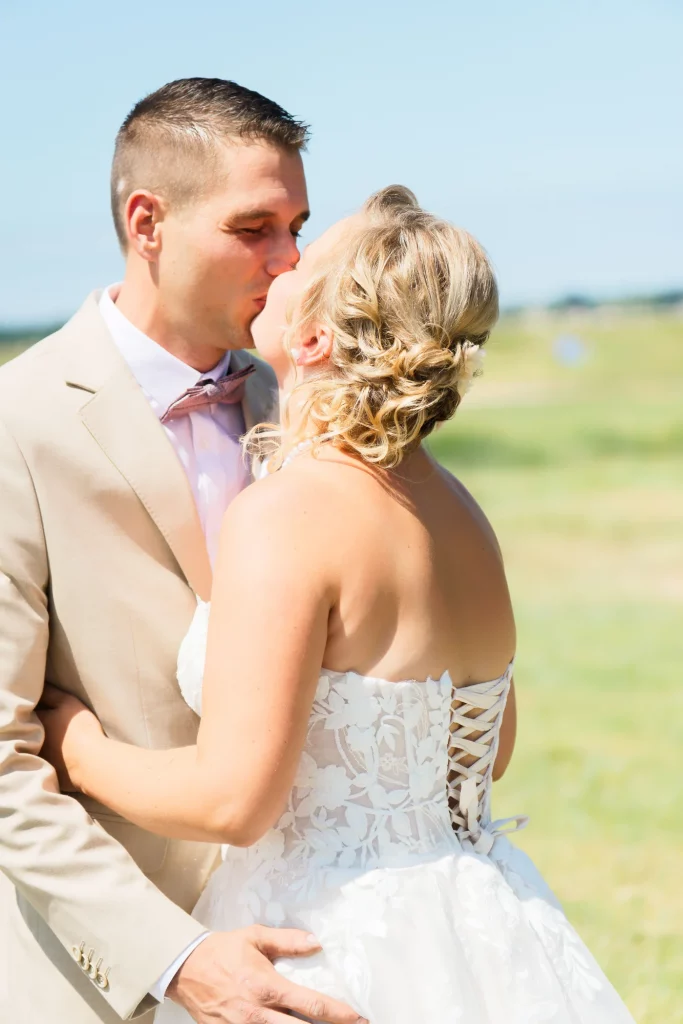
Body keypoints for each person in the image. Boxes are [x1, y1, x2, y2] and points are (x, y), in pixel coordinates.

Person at [38, 187, 636, 1023]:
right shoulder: (461, 513)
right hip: (478, 921)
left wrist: (77, 747)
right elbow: (487, 750)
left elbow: (231, 803)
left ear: (313, 337)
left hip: (332, 941)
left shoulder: (288, 513)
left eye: (303, 258)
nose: (282, 258)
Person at [0, 77, 364, 1024]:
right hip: (105, 980)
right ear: (147, 222)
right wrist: (174, 956)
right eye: (254, 229)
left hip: (316, 939)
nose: (291, 262)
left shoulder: (306, 402)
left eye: (297, 227)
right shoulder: (16, 425)